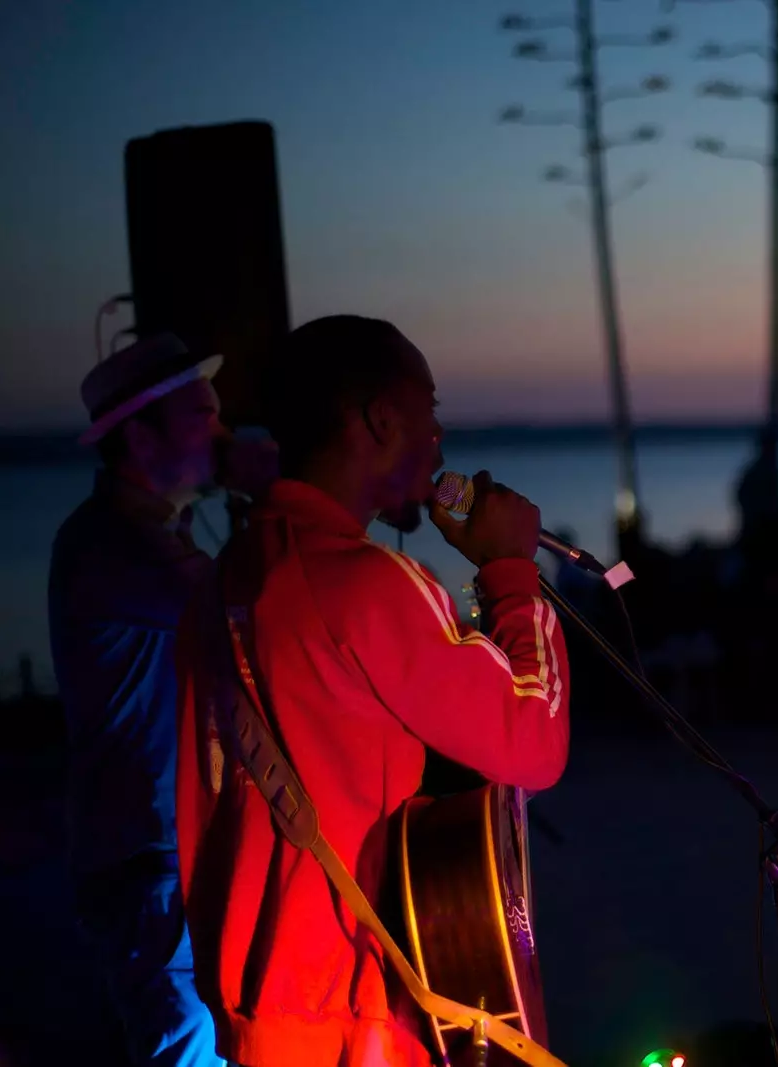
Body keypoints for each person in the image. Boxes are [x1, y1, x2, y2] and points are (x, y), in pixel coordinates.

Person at [174, 315, 571, 1067]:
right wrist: (511, 574)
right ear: (382, 419)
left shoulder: (220, 581)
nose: (439, 438)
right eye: (432, 410)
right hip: (352, 1015)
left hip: (256, 1014)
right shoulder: (369, 582)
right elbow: (534, 744)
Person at [48, 332, 275, 1067]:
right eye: (202, 416)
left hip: (166, 853)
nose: (221, 432)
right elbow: (252, 612)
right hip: (149, 862)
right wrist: (279, 492)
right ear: (139, 435)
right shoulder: (110, 545)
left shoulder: (141, 534)